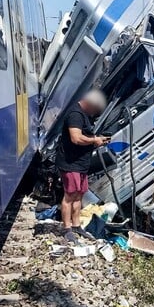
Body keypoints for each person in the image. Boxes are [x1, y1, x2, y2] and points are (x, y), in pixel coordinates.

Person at [56, 89, 109, 243]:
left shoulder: (85, 115)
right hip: (70, 163)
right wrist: (94, 140)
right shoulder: (75, 115)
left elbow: (84, 138)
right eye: (95, 108)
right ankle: (67, 228)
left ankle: (77, 225)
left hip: (81, 163)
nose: (95, 112)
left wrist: (97, 141)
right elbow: (76, 138)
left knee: (79, 194)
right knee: (69, 196)